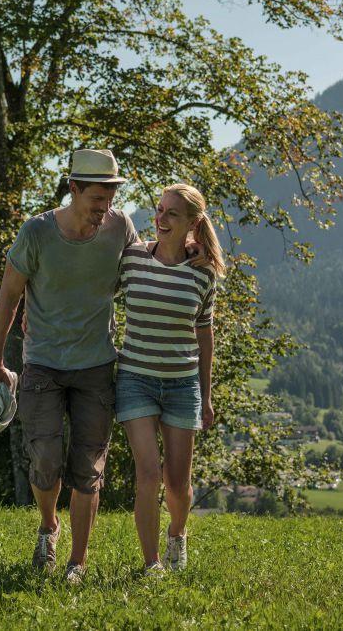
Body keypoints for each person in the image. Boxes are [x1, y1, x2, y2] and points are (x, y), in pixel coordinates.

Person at [0, 149, 138, 584]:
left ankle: (77, 561)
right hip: (43, 366)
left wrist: (185, 247)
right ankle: (49, 526)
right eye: (95, 200)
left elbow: (144, 269)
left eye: (109, 199)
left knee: (89, 468)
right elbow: (8, 296)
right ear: (72, 189)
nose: (103, 209)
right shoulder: (36, 233)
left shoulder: (120, 227)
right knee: (46, 458)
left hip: (95, 367)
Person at [115, 183, 224, 575]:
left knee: (177, 484)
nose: (160, 219)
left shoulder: (203, 276)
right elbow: (91, 293)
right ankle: (152, 564)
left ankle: (177, 535)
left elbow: (205, 336)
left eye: (171, 214)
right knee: (147, 474)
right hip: (135, 379)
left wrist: (206, 395)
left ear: (192, 223)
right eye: (159, 210)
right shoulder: (131, 260)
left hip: (181, 385)